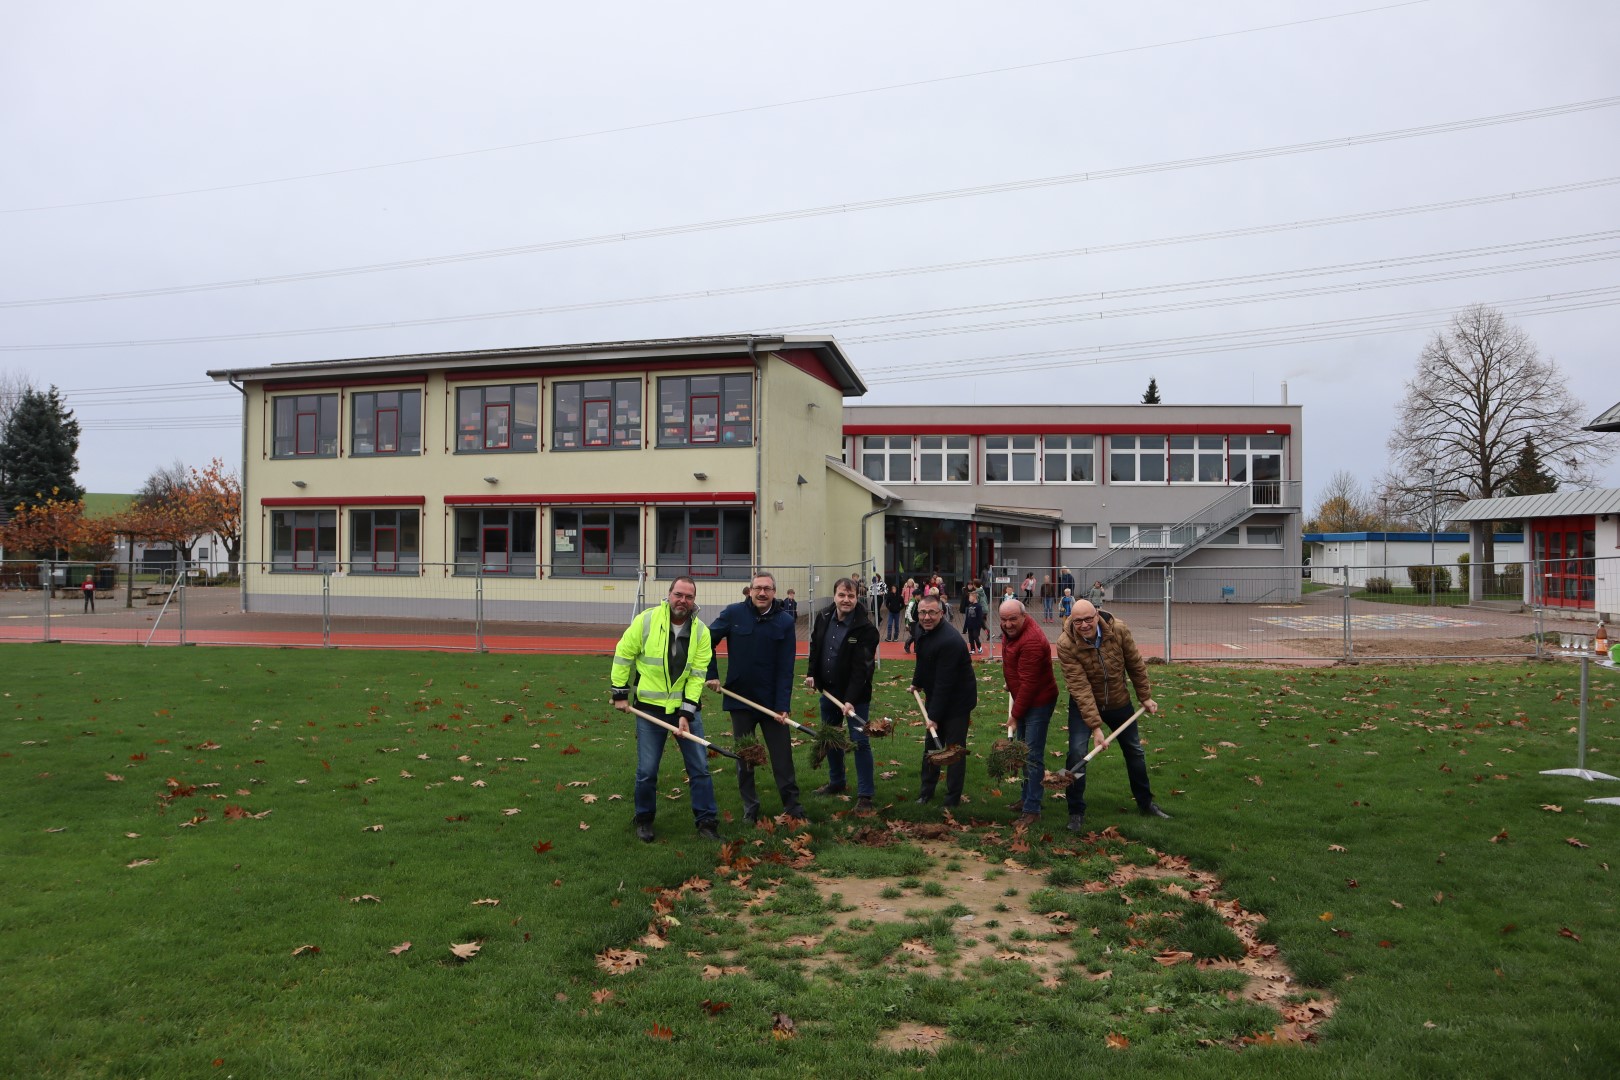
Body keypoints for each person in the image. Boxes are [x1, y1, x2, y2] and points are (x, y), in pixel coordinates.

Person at [610, 577, 721, 843]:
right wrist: (619, 692)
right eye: (678, 594)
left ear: (694, 600)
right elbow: (623, 654)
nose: (683, 600)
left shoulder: (701, 632)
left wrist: (686, 714)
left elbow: (696, 676)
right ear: (668, 594)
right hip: (649, 710)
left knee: (700, 768)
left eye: (689, 596)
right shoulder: (646, 621)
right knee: (647, 770)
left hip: (685, 709)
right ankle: (644, 818)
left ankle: (706, 820)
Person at [1056, 599, 1170, 831]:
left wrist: (1144, 696)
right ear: (1071, 620)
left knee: (1135, 751)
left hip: (1119, 700)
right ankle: (1075, 811)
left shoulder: (1118, 629)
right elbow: (1080, 687)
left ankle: (1146, 803)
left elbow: (1135, 663)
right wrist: (1096, 728)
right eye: (1078, 621)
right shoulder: (1065, 643)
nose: (1085, 625)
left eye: (1089, 619)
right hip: (1085, 704)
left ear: (1096, 615)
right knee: (1077, 752)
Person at [706, 571, 804, 822]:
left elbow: (786, 667)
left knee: (782, 757)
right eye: (758, 588)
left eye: (768, 589)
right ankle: (750, 806)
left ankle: (792, 806)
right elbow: (706, 641)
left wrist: (783, 705)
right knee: (746, 756)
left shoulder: (784, 622)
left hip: (772, 703)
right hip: (740, 699)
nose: (762, 593)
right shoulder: (733, 614)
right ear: (749, 590)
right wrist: (712, 674)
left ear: (774, 592)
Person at [806, 577, 881, 812]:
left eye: (851, 596)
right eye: (842, 595)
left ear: (857, 597)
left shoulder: (866, 629)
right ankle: (837, 782)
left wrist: (850, 700)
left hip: (855, 698)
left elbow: (862, 669)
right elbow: (815, 646)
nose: (846, 600)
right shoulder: (824, 617)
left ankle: (865, 794)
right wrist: (811, 674)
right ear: (835, 596)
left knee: (860, 742)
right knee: (832, 738)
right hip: (828, 692)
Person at [910, 594, 977, 809]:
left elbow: (944, 683)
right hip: (936, 695)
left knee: (953, 751)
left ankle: (951, 799)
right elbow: (922, 660)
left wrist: (934, 717)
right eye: (922, 612)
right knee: (931, 748)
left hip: (958, 701)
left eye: (932, 612)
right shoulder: (920, 630)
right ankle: (926, 792)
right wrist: (916, 683)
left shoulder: (950, 641)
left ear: (941, 613)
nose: (926, 617)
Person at [1000, 598, 1057, 827]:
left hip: (1038, 701)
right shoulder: (1013, 633)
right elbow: (1015, 666)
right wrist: (1010, 684)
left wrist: (1015, 714)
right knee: (1024, 751)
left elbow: (1030, 684)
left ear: (1024, 616)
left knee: (1032, 755)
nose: (1008, 624)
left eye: (1013, 619)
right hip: (1025, 694)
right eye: (1003, 620)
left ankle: (1032, 809)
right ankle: (1026, 799)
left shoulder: (1032, 640)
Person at [960, 589, 986, 656]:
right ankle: (972, 649)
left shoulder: (978, 606)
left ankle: (979, 647)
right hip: (970, 625)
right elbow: (967, 618)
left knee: (975, 636)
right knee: (970, 638)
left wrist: (980, 626)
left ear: (974, 597)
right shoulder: (969, 606)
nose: (969, 599)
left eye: (970, 597)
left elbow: (980, 617)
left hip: (976, 626)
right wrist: (965, 628)